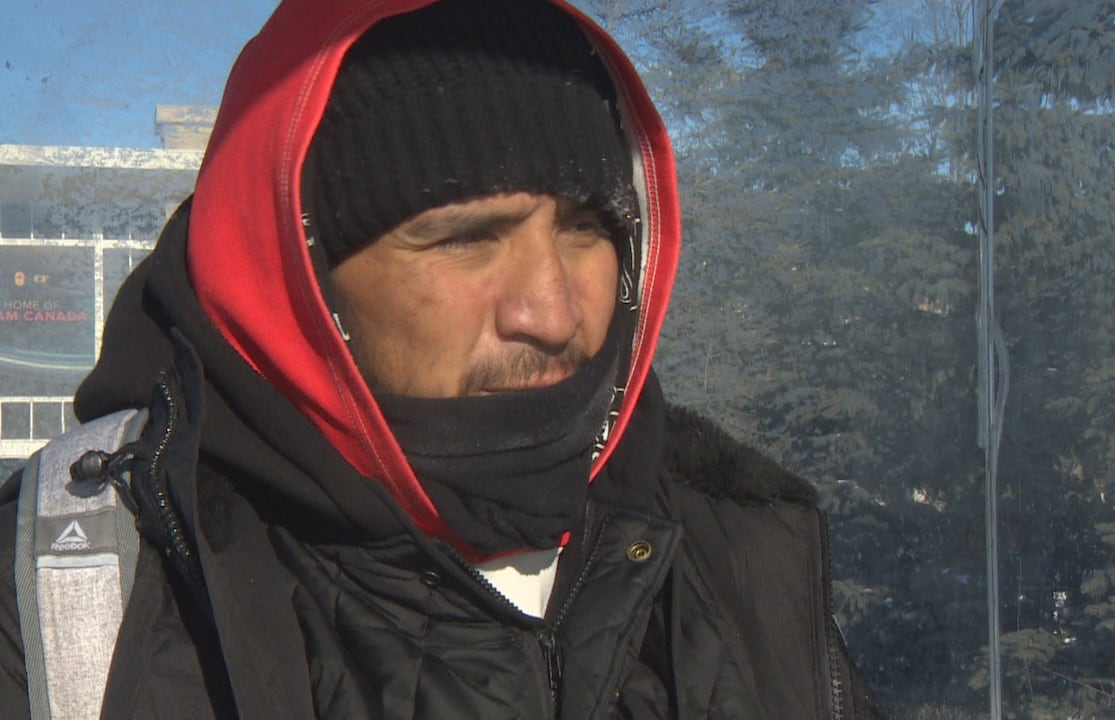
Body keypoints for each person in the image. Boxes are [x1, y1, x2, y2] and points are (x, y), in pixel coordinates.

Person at [0, 1, 885, 717]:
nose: (553, 312)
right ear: (298, 276)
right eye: (466, 238)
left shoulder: (739, 554)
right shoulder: (80, 588)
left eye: (586, 228)